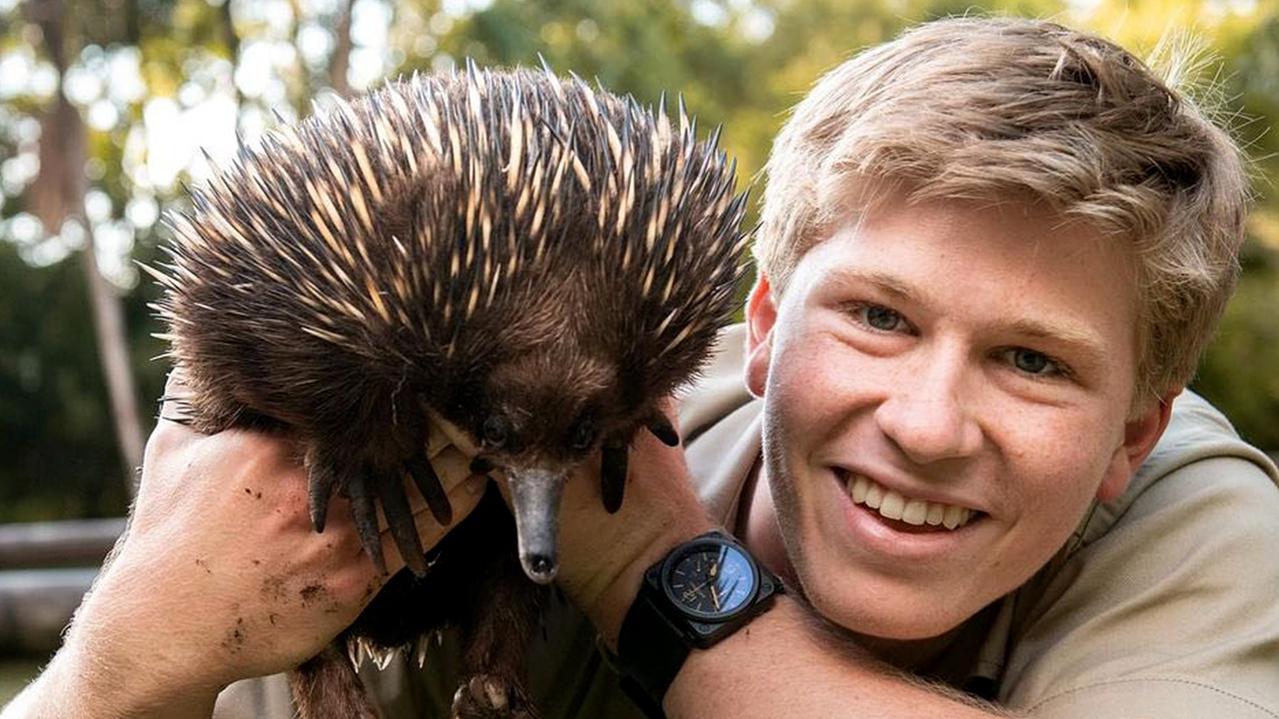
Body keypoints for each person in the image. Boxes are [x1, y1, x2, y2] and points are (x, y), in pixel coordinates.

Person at [5, 15, 1278, 719]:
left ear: (1133, 433)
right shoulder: (408, 477)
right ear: (760, 321)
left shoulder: (1203, 531)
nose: (929, 423)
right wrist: (117, 664)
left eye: (1032, 360)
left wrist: (661, 579)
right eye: (880, 318)